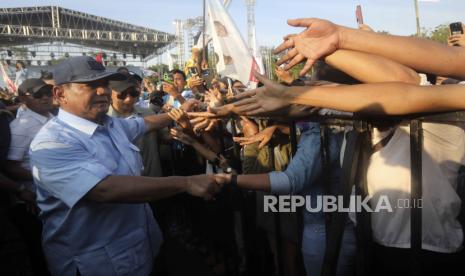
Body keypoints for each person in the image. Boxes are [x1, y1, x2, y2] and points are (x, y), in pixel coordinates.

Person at [29, 56, 224, 276]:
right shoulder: (52, 143)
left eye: (103, 84)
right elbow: (105, 189)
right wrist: (185, 183)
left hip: (140, 251)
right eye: (90, 85)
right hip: (95, 264)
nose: (102, 91)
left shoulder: (110, 125)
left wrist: (181, 110)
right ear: (60, 94)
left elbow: (146, 123)